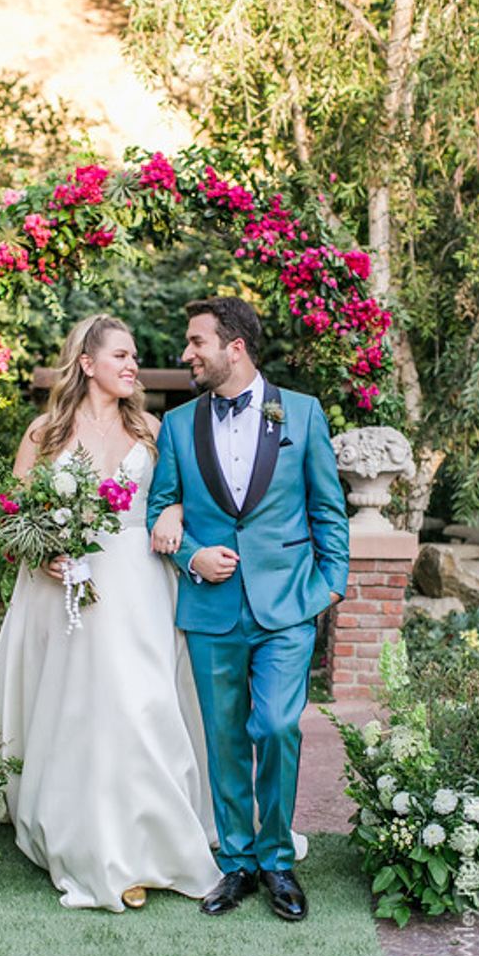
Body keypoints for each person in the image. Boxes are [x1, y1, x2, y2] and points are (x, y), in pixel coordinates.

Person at [0, 313, 221, 912]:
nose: (131, 365)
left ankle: (154, 840)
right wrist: (45, 560)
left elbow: (185, 501)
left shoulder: (153, 428)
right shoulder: (46, 433)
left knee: (143, 705)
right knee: (88, 712)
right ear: (86, 363)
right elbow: (12, 521)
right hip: (69, 590)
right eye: (119, 355)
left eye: (134, 356)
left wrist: (171, 516)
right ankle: (98, 845)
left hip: (142, 584)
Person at [147, 296, 349, 921]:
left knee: (279, 727)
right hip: (212, 609)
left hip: (288, 605)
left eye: (196, 342)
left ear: (234, 347)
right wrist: (191, 559)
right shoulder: (178, 425)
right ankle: (236, 863)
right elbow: (159, 512)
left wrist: (330, 587)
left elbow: (327, 510)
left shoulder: (304, 414)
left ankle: (277, 859)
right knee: (226, 738)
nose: (187, 354)